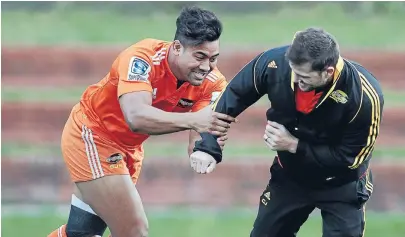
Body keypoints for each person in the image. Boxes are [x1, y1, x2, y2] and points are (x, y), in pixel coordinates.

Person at [47, 6, 236, 237]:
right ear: (177, 48)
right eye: (199, 57)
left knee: (81, 233)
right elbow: (136, 117)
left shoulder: (213, 83)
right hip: (93, 135)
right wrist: (194, 120)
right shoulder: (141, 58)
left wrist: (205, 149)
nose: (207, 67)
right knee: (134, 231)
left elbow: (200, 134)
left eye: (213, 59)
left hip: (130, 149)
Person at [190, 27, 384, 237]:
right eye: (293, 72)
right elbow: (233, 95)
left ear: (327, 72)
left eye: (304, 77)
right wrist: (208, 146)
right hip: (291, 177)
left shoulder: (365, 97)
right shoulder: (275, 63)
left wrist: (293, 145)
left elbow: (349, 158)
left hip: (342, 184)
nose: (295, 81)